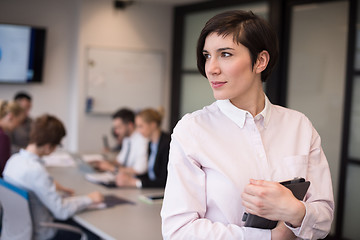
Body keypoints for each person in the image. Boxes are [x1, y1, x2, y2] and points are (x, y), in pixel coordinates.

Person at [161, 10, 334, 240]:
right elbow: (178, 231)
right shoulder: (192, 130)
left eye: (225, 54)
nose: (210, 68)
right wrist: (270, 237)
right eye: (207, 55)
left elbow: (324, 220)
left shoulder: (299, 126)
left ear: (260, 61)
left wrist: (294, 211)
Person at [3, 114, 104, 239]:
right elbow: (61, 211)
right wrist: (89, 198)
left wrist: (51, 186)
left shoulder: (13, 160)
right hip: (42, 233)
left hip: (17, 231)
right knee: (93, 235)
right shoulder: (36, 171)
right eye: (57, 145)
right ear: (48, 146)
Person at [115, 108, 171, 188]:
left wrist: (135, 182)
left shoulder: (167, 144)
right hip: (152, 189)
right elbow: (150, 175)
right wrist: (129, 178)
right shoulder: (150, 143)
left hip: (162, 191)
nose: (138, 131)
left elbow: (164, 180)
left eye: (140, 126)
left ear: (153, 125)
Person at [93, 108, 148, 175]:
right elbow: (120, 161)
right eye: (115, 128)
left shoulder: (142, 140)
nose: (116, 131)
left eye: (119, 127)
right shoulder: (127, 139)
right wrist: (103, 164)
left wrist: (111, 168)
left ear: (130, 125)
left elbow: (139, 170)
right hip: (122, 176)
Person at [0, 100, 25, 175]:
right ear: (10, 116)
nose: (18, 125)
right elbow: (4, 169)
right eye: (19, 121)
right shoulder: (3, 137)